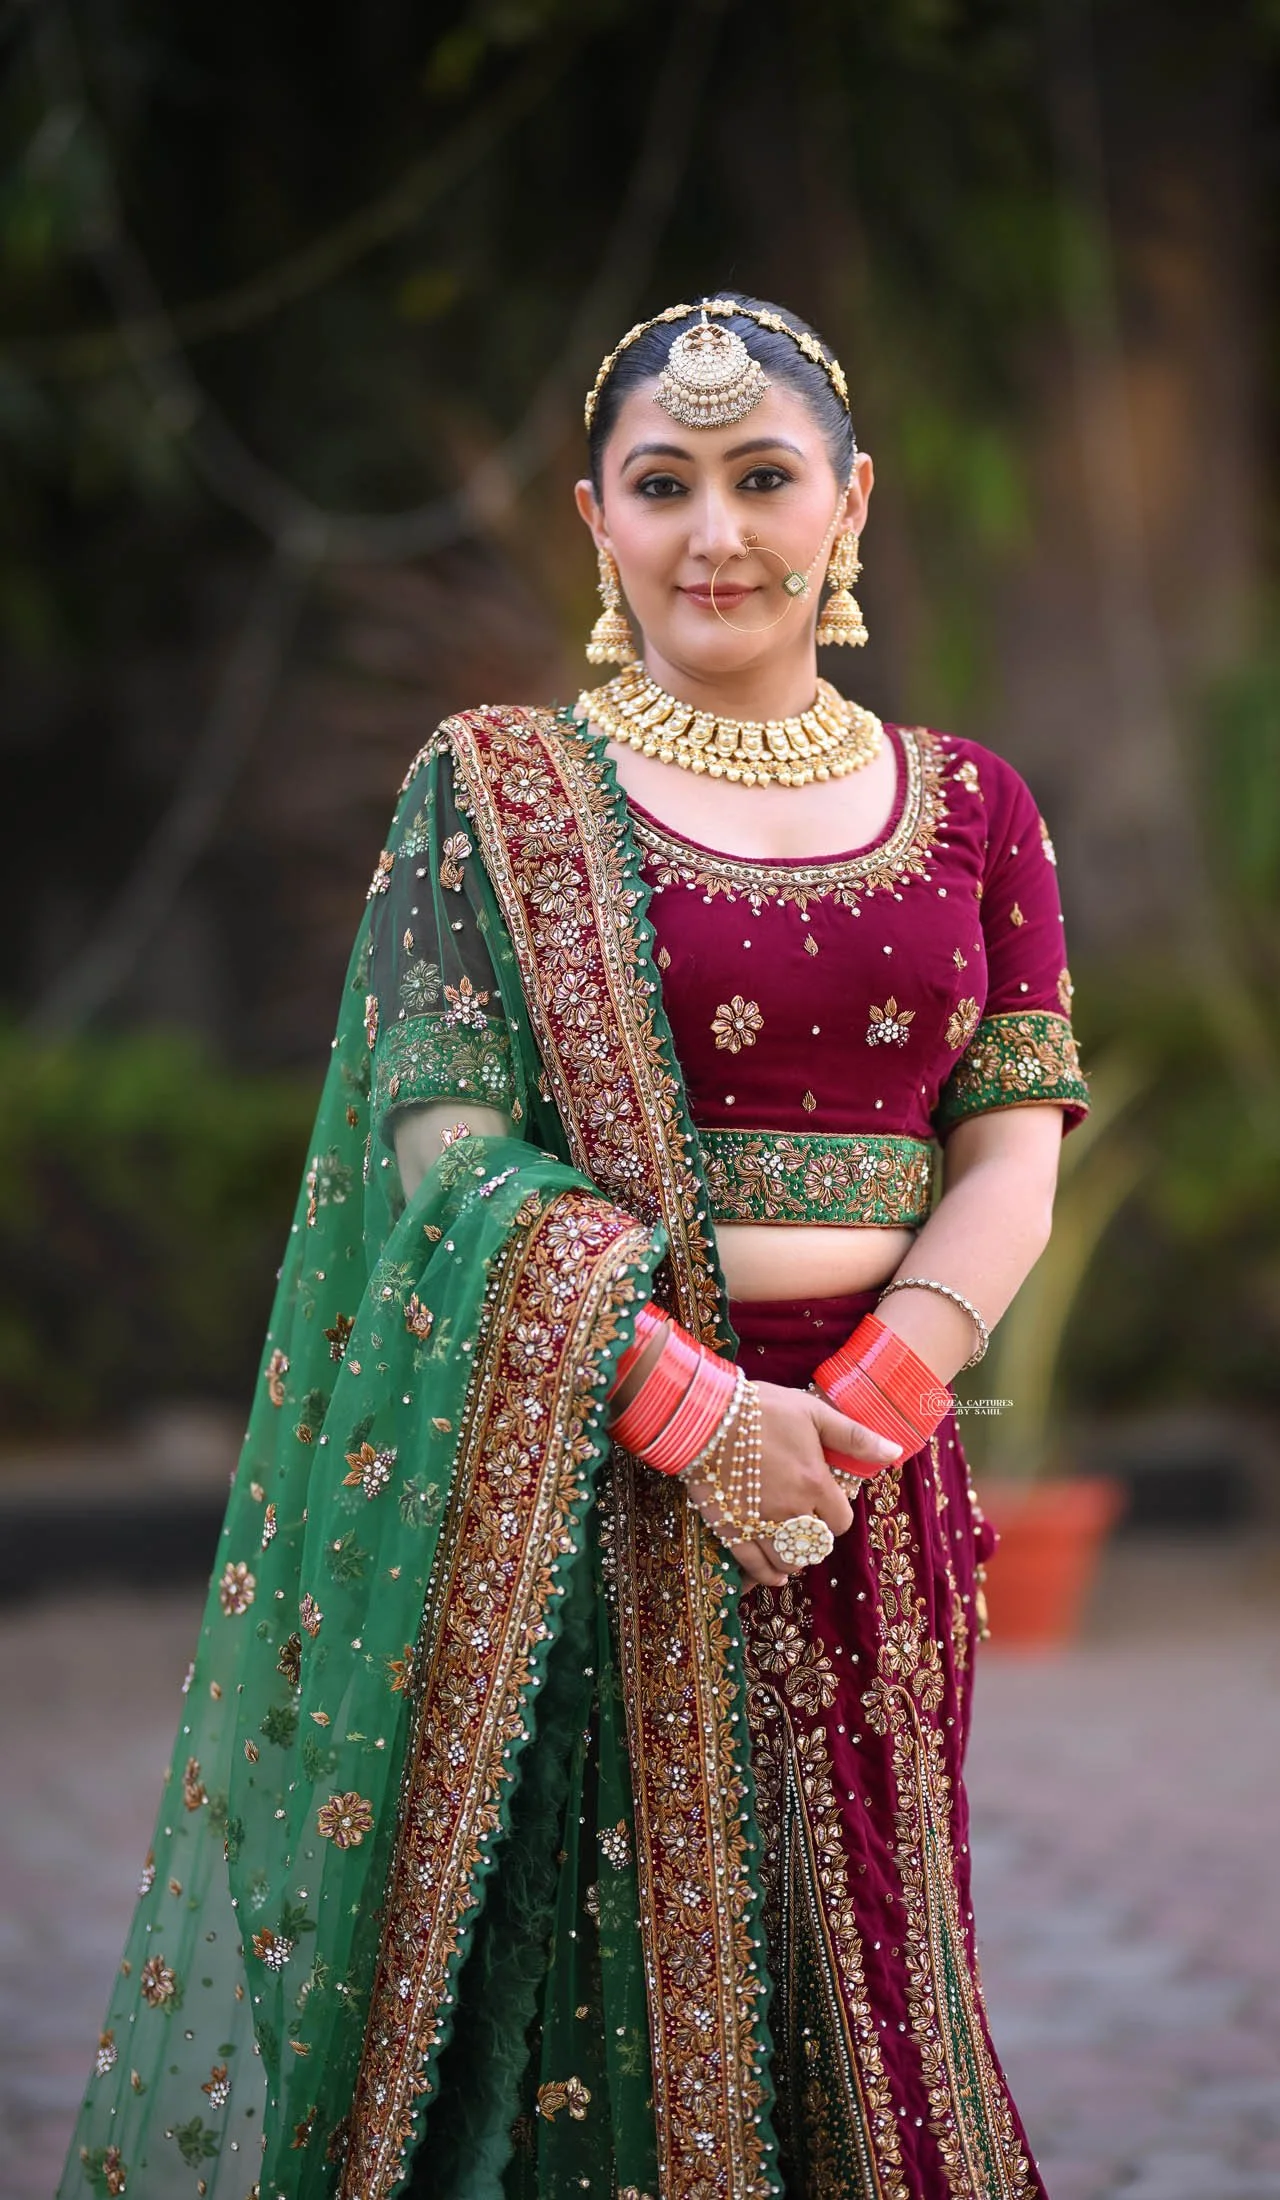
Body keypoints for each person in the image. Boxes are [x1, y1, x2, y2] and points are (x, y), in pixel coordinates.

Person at [59, 294, 1090, 2200]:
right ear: (593, 521)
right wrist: (697, 1414)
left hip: (872, 1472)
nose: (719, 532)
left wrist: (856, 1413)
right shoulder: (498, 794)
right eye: (664, 485)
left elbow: (1009, 1157)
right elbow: (445, 1161)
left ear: (847, 505)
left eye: (763, 480)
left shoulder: (972, 807)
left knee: (870, 1957)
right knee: (571, 1995)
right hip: (591, 1461)